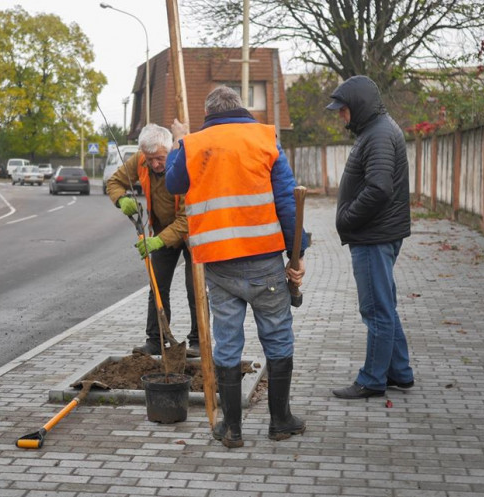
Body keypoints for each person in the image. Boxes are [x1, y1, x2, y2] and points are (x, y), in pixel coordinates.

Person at [166, 85, 308, 448]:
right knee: (277, 337)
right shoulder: (265, 138)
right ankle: (280, 421)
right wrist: (298, 252)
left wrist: (180, 141)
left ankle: (232, 428)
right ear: (241, 108)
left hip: (219, 267)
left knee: (227, 343)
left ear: (208, 114)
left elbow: (173, 182)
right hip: (264, 263)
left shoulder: (194, 145)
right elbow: (287, 201)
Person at [326, 75, 415, 400]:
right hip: (377, 234)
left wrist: (348, 218)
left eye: (343, 109)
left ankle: (373, 379)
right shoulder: (377, 130)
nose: (340, 115)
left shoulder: (378, 135)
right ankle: (400, 372)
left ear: (358, 106)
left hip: (373, 237)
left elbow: (379, 188)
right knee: (385, 305)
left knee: (376, 309)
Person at [106, 124, 199, 357]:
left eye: (159, 158)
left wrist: (158, 241)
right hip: (160, 229)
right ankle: (156, 340)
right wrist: (121, 200)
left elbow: (187, 218)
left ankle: (198, 341)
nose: (155, 164)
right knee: (157, 285)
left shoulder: (186, 164)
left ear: (169, 150)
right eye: (150, 159)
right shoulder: (140, 160)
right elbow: (114, 182)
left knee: (194, 287)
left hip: (191, 234)